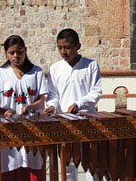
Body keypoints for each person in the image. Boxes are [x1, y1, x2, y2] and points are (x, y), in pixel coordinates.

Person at [43, 28, 103, 181]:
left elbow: (96, 92)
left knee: (92, 164)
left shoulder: (91, 65)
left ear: (78, 46)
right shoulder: (55, 68)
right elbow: (53, 94)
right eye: (60, 48)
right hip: (64, 122)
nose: (63, 52)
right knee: (68, 165)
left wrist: (79, 103)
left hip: (87, 121)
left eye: (67, 47)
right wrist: (51, 105)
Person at [0, 35, 48, 181]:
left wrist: (30, 106)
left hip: (32, 129)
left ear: (25, 51)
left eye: (20, 52)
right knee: (8, 165)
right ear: (6, 53)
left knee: (32, 164)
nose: (16, 56)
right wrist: (4, 111)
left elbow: (42, 99)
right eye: (12, 53)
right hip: (7, 129)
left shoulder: (36, 72)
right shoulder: (0, 74)